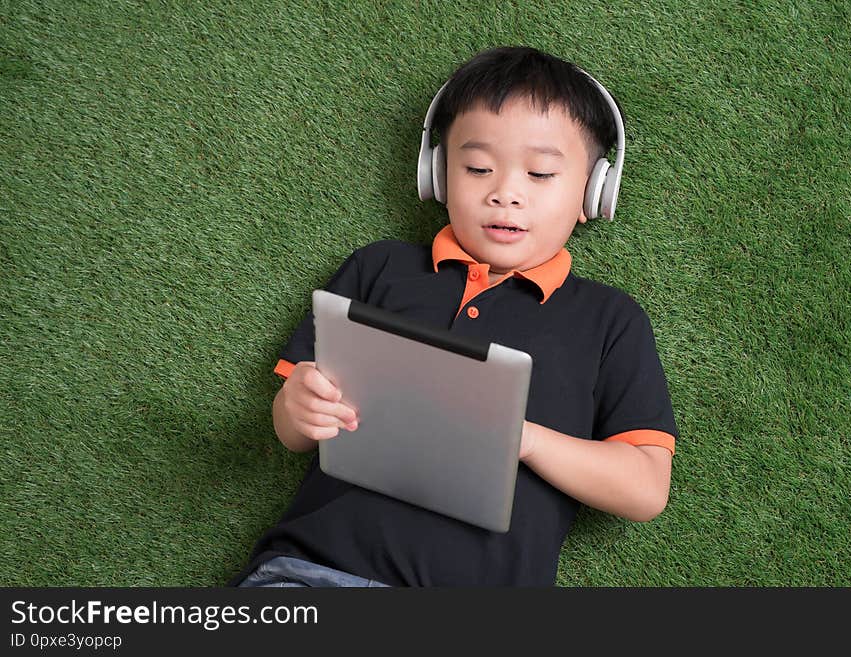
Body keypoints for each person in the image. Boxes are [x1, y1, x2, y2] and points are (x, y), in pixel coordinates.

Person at [231, 46, 678, 587]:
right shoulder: (381, 269)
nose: (505, 193)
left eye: (540, 174)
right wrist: (298, 405)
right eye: (478, 168)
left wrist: (525, 439)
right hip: (313, 573)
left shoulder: (609, 319)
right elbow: (292, 429)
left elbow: (645, 488)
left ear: (593, 191)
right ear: (437, 174)